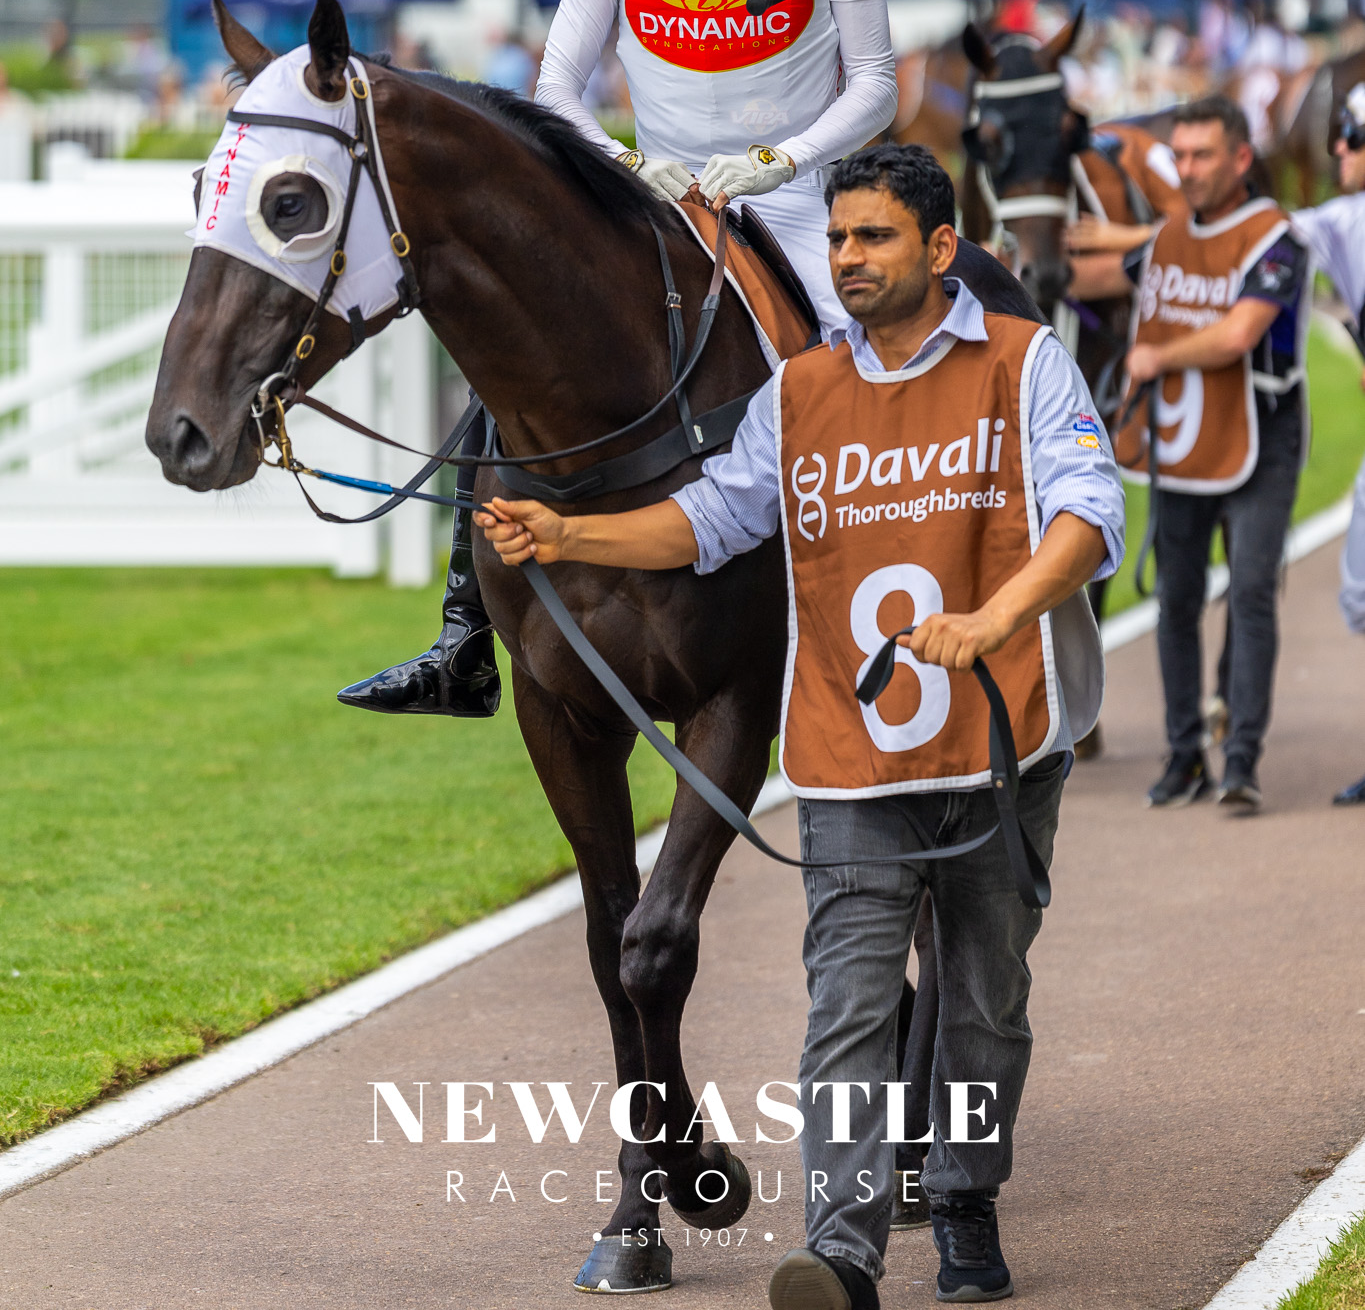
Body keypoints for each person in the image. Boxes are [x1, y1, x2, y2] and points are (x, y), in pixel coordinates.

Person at [476, 144, 1122, 1310]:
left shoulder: (1028, 363)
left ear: (938, 247)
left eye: (872, 237)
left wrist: (996, 613)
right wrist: (568, 539)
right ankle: (842, 1250)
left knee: (983, 999)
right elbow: (710, 516)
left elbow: (1086, 511)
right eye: (837, 240)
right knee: (849, 1005)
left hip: (999, 740)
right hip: (851, 755)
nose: (847, 259)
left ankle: (967, 1200)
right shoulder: (804, 390)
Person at [340, 0, 899, 721]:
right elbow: (554, 88)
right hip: (657, 193)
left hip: (788, 201)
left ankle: (870, 605)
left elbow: (877, 86)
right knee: (522, 367)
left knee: (861, 362)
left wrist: (779, 160)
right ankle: (465, 629)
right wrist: (627, 160)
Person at [1106, 96, 1309, 811]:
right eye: (1179, 155)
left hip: (1263, 438)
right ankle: (1183, 753)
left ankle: (1241, 762)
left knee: (1250, 592)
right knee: (1175, 598)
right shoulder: (1163, 238)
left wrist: (1154, 356)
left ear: (1240, 158)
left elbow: (1235, 335)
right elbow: (1106, 273)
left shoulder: (1275, 239)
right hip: (1182, 447)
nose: (1186, 169)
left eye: (1202, 155)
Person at [1291, 82, 1365, 804]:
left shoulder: (1346, 221)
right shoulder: (1345, 220)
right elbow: (1257, 238)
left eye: (1348, 133)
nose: (1337, 147)